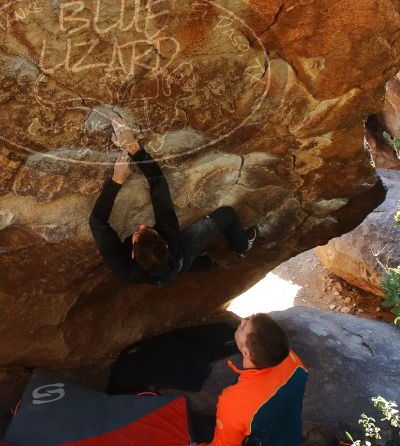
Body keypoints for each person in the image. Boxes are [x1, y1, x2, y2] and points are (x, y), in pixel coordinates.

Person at [88, 118, 258, 286]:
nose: (141, 226)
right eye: (146, 230)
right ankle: (241, 247)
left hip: (165, 271)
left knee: (175, 270)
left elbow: (97, 221)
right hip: (181, 253)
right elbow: (158, 183)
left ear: (132, 255)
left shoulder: (125, 271)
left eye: (138, 233)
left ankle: (204, 263)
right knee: (227, 215)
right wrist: (134, 149)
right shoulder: (170, 234)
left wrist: (116, 181)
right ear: (165, 244)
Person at [200, 313, 308, 446]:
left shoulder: (233, 403)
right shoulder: (293, 361)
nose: (242, 320)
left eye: (244, 326)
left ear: (246, 353)